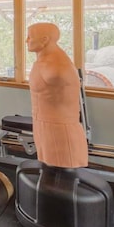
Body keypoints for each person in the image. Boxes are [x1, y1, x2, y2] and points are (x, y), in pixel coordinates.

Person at [27, 22, 88, 168]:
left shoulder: (55, 66)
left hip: (58, 129)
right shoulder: (44, 62)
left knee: (60, 176)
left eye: (30, 37)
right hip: (43, 124)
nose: (26, 41)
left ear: (44, 40)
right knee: (49, 173)